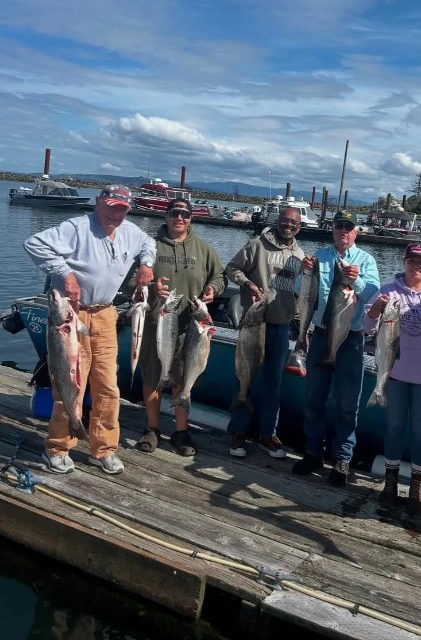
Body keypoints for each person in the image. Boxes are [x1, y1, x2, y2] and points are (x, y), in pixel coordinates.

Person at [24, 185, 156, 476]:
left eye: (121, 208)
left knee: (108, 385)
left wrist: (146, 265)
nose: (115, 213)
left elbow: (149, 244)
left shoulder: (132, 232)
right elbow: (34, 243)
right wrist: (64, 274)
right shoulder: (77, 227)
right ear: (98, 203)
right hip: (70, 315)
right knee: (71, 383)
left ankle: (103, 449)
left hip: (106, 314)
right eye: (110, 206)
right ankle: (57, 448)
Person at [362, 242, 421, 512]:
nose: (416, 266)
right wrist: (376, 310)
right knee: (393, 428)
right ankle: (390, 482)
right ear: (404, 262)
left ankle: (416, 486)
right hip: (394, 376)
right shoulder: (388, 292)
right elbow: (366, 328)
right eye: (411, 261)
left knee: (420, 432)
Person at [292, 210, 380, 486]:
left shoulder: (366, 260)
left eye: (349, 227)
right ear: (332, 229)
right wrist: (303, 271)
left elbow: (373, 294)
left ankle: (342, 459)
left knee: (347, 403)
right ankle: (313, 452)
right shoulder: (320, 256)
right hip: (319, 336)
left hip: (351, 339)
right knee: (313, 399)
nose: (343, 230)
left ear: (356, 232)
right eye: (339, 225)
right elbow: (300, 290)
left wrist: (356, 281)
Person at [136, 198, 226, 457]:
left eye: (185, 214)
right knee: (153, 377)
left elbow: (219, 276)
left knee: (182, 379)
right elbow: (132, 278)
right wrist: (151, 288)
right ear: (165, 216)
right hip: (156, 323)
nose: (180, 218)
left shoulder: (203, 249)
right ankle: (152, 429)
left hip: (191, 327)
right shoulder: (149, 247)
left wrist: (213, 289)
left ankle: (181, 431)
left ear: (191, 218)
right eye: (174, 213)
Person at [225, 205, 304, 458]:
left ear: (299, 227)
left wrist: (303, 327)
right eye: (284, 220)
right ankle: (238, 431)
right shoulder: (257, 244)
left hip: (280, 327)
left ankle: (267, 434)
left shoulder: (300, 255)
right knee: (244, 378)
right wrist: (247, 283)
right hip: (253, 324)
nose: (288, 225)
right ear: (277, 221)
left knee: (274, 384)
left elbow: (298, 294)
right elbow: (232, 268)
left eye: (293, 222)